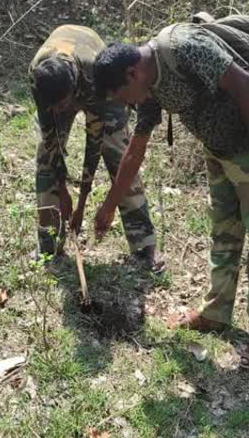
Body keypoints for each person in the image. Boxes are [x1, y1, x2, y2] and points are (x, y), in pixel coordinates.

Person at [92, 22, 249, 368]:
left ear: (132, 73)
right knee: (225, 229)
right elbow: (135, 152)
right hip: (218, 148)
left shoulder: (184, 47)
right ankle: (216, 313)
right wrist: (107, 208)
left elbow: (243, 86)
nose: (126, 105)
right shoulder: (148, 87)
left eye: (122, 96)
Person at [29, 25, 162, 271]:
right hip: (63, 82)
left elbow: (95, 142)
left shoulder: (93, 77)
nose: (59, 112)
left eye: (63, 105)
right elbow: (50, 140)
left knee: (118, 155)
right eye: (54, 108)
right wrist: (61, 188)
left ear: (72, 92)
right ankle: (48, 247)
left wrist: (81, 204)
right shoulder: (39, 78)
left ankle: (144, 248)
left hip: (100, 81)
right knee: (45, 161)